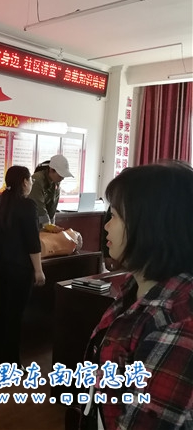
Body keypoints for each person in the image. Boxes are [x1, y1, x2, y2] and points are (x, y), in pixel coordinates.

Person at [80, 161, 193, 429]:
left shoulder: (177, 321)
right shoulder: (136, 288)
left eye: (115, 216)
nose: (106, 226)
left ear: (151, 226)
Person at [0, 166, 45, 368]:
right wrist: (39, 270)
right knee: (15, 314)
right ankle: (11, 361)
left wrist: (0, 237)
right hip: (20, 268)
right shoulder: (27, 205)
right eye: (30, 180)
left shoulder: (1, 200)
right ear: (24, 182)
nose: (31, 183)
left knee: (3, 308)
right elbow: (33, 241)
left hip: (1, 264)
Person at [28, 154, 73, 230]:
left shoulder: (56, 182)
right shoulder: (37, 180)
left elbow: (52, 208)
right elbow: (38, 206)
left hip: (42, 222)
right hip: (32, 222)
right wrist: (48, 226)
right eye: (60, 175)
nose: (62, 178)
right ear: (51, 170)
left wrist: (52, 226)